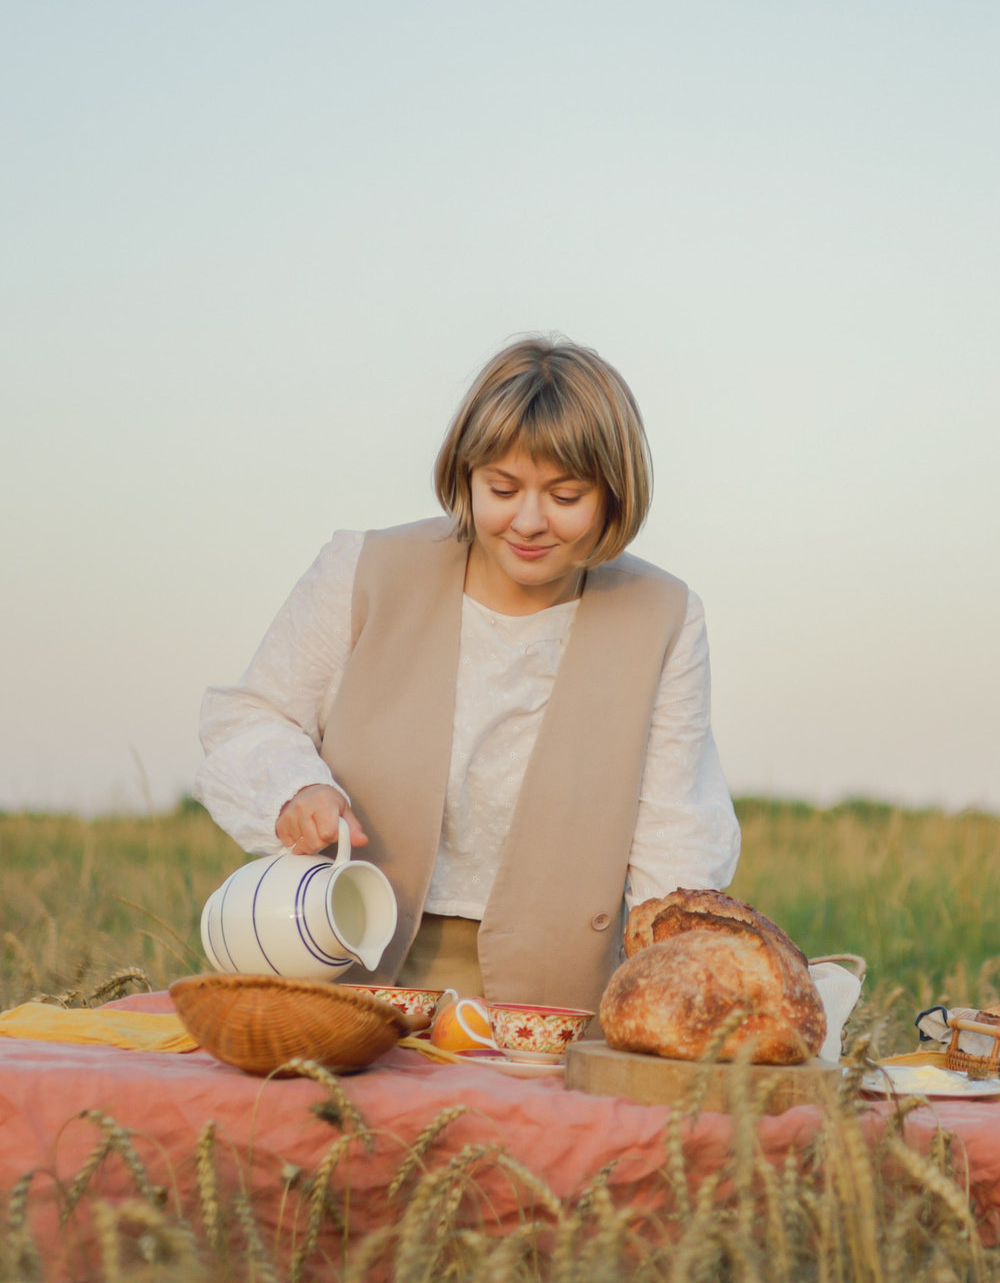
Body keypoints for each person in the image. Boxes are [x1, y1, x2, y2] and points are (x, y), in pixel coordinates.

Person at [196, 336, 742, 1010]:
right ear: (465, 474)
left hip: (554, 1006)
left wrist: (669, 986)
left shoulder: (664, 615)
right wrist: (294, 790)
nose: (530, 521)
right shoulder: (362, 570)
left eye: (566, 495)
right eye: (503, 489)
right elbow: (250, 717)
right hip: (345, 975)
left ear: (614, 496)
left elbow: (675, 829)